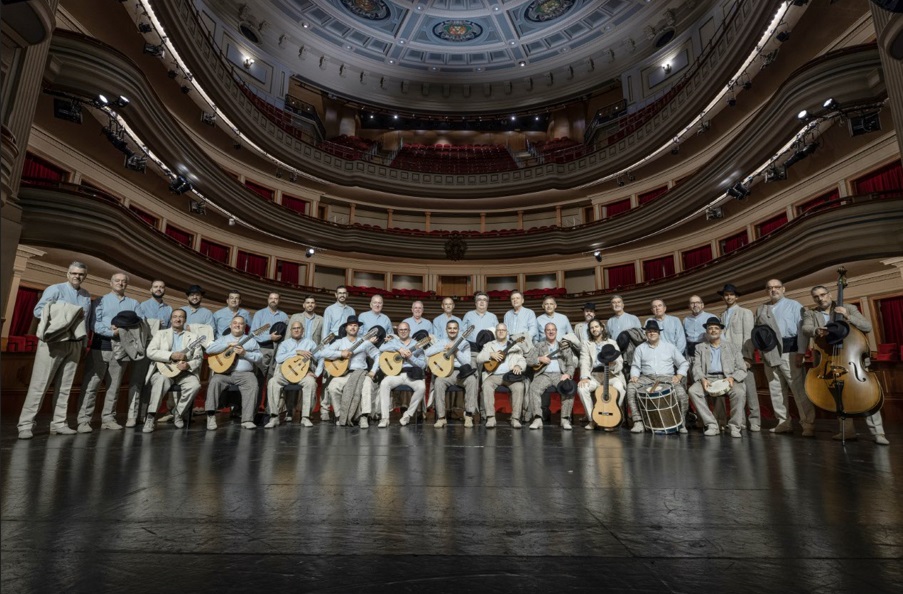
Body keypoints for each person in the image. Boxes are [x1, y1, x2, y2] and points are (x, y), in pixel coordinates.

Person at [800, 285, 889, 445]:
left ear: (830, 294)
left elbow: (867, 326)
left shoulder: (849, 308)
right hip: (831, 359)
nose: (820, 298)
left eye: (823, 295)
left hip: (852, 358)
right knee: (838, 396)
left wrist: (847, 316)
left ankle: (878, 433)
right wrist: (817, 330)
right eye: (816, 297)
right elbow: (806, 328)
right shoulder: (810, 313)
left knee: (866, 395)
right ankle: (847, 432)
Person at [16, 262, 92, 439]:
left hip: (74, 343)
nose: (77, 276)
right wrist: (68, 312)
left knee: (65, 386)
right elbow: (38, 311)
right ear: (68, 273)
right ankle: (25, 424)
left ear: (85, 276)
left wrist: (83, 344)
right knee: (39, 384)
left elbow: (86, 321)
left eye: (81, 274)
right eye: (74, 273)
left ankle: (59, 423)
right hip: (53, 342)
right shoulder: (55, 289)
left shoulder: (86, 295)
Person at [75, 272, 140, 432]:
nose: (120, 283)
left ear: (126, 285)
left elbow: (139, 324)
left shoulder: (134, 303)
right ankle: (84, 420)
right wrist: (111, 332)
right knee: (92, 385)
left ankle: (108, 419)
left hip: (123, 349)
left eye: (123, 281)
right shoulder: (100, 301)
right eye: (117, 280)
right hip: (101, 346)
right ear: (110, 283)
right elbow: (94, 324)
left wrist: (122, 331)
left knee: (114, 386)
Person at [754, 279, 815, 437]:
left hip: (791, 351)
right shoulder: (761, 309)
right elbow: (758, 333)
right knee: (776, 390)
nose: (773, 290)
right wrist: (762, 353)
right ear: (766, 291)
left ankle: (807, 424)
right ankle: (783, 423)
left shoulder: (794, 305)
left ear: (783, 289)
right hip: (770, 353)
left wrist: (801, 351)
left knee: (798, 389)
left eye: (776, 287)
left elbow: (802, 330)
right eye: (769, 288)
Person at [143, 309, 204, 432]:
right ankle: (151, 417)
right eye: (175, 316)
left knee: (195, 385)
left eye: (181, 317)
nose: (178, 319)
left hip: (184, 373)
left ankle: (178, 413)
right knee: (160, 381)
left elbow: (199, 358)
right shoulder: (161, 333)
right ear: (171, 319)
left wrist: (188, 365)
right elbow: (150, 352)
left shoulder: (194, 337)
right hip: (163, 371)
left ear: (185, 320)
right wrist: (171, 355)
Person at [626, 319, 690, 434]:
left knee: (682, 395)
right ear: (646, 333)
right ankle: (638, 421)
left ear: (659, 333)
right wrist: (634, 376)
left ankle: (681, 423)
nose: (652, 333)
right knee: (631, 388)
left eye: (654, 331)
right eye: (649, 331)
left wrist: (679, 376)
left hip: (666, 377)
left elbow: (684, 363)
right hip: (647, 378)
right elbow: (635, 366)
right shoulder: (640, 348)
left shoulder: (670, 347)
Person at [688, 317, 747, 438]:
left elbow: (742, 368)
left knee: (739, 392)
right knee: (693, 391)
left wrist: (732, 378)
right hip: (708, 378)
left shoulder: (733, 347)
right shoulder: (700, 347)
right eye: (710, 328)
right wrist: (702, 379)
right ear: (706, 332)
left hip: (728, 378)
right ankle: (712, 424)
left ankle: (734, 426)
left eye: (716, 328)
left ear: (721, 331)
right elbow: (696, 367)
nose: (713, 330)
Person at [126, 280, 172, 427]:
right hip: (145, 347)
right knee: (137, 381)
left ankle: (143, 415)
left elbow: (169, 331)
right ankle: (132, 416)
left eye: (161, 287)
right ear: (150, 289)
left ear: (164, 290)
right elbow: (138, 327)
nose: (159, 289)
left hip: (160, 350)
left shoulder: (169, 309)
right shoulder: (142, 306)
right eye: (156, 287)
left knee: (151, 383)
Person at [204, 316, 263, 430]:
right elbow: (209, 350)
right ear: (230, 326)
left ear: (244, 327)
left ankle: (247, 419)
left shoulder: (251, 340)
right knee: (214, 381)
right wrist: (227, 345)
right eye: (235, 323)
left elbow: (260, 358)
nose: (237, 325)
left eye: (241, 323)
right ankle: (211, 416)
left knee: (253, 384)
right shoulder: (223, 339)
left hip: (244, 374)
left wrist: (245, 353)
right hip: (224, 374)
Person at [320, 315, 379, 426]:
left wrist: (373, 370)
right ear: (346, 328)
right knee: (332, 386)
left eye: (355, 325)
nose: (353, 327)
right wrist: (340, 353)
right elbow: (323, 353)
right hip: (344, 374)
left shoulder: (365, 343)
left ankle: (363, 416)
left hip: (361, 373)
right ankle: (340, 415)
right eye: (350, 325)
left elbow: (377, 355)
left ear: (358, 328)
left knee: (367, 385)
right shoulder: (340, 342)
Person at [264, 320, 321, 428]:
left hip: (303, 374)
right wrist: (296, 352)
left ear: (303, 330)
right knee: (272, 382)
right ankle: (274, 417)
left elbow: (320, 357)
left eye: (298, 328)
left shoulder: (310, 343)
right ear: (291, 330)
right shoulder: (284, 344)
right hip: (286, 373)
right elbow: (279, 358)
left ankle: (305, 417)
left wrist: (316, 373)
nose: (296, 330)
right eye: (294, 328)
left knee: (311, 383)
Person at [719, 283, 761, 432]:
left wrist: (747, 357)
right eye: (726, 295)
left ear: (736, 297)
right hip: (728, 360)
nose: (729, 297)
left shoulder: (745, 312)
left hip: (743, 357)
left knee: (750, 391)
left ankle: (755, 421)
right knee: (738, 391)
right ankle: (740, 421)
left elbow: (749, 336)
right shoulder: (722, 315)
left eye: (731, 294)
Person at [371, 322, 427, 427]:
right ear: (398, 331)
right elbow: (381, 348)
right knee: (384, 383)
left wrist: (411, 357)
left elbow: (423, 365)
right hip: (396, 374)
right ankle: (385, 418)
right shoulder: (393, 342)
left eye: (405, 329)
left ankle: (407, 415)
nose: (403, 331)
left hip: (411, 375)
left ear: (409, 331)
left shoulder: (417, 345)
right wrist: (398, 348)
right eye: (401, 330)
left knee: (422, 387)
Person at [426, 320, 478, 428]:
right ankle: (441, 418)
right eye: (450, 328)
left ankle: (468, 415)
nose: (452, 330)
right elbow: (427, 352)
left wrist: (456, 350)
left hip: (461, 372)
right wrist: (443, 347)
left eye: (455, 328)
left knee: (472, 380)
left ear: (458, 330)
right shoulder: (442, 341)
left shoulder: (465, 343)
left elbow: (467, 362)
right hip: (446, 373)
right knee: (438, 382)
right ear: (446, 330)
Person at [527, 323, 578, 430]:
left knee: (569, 388)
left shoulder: (564, 347)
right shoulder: (539, 346)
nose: (551, 332)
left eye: (553, 330)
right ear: (545, 332)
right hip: (543, 374)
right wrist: (539, 359)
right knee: (534, 387)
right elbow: (529, 360)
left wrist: (568, 374)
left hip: (560, 375)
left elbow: (571, 364)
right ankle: (537, 418)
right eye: (548, 330)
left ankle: (565, 419)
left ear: (556, 331)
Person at [577, 319, 625, 431]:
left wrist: (613, 364)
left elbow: (620, 362)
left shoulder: (612, 343)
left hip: (611, 375)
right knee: (582, 388)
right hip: (595, 376)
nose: (594, 329)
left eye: (596, 326)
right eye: (592, 327)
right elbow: (584, 361)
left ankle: (612, 419)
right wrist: (584, 377)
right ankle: (593, 419)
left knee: (619, 388)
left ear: (602, 328)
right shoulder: (586, 344)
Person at [477, 323, 527, 429]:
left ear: (507, 332)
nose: (501, 332)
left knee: (519, 387)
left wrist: (518, 366)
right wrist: (490, 354)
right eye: (498, 330)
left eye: (503, 330)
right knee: (486, 385)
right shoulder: (489, 345)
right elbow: (479, 358)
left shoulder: (515, 346)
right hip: (493, 375)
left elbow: (522, 360)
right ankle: (490, 417)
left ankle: (515, 418)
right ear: (495, 332)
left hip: (510, 376)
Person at [250, 291, 288, 380]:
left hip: (278, 350)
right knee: (259, 376)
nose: (273, 300)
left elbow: (287, 334)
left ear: (279, 301)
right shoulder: (260, 314)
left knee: (273, 377)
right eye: (271, 298)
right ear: (268, 300)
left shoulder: (284, 316)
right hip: (263, 349)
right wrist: (270, 337)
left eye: (276, 298)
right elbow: (254, 333)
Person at [462, 292, 499, 362]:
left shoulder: (493, 317)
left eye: (484, 300)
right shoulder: (468, 315)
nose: (482, 302)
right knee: (473, 367)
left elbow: (497, 333)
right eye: (479, 300)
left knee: (486, 367)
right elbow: (462, 332)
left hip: (488, 347)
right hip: (472, 347)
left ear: (487, 303)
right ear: (475, 303)